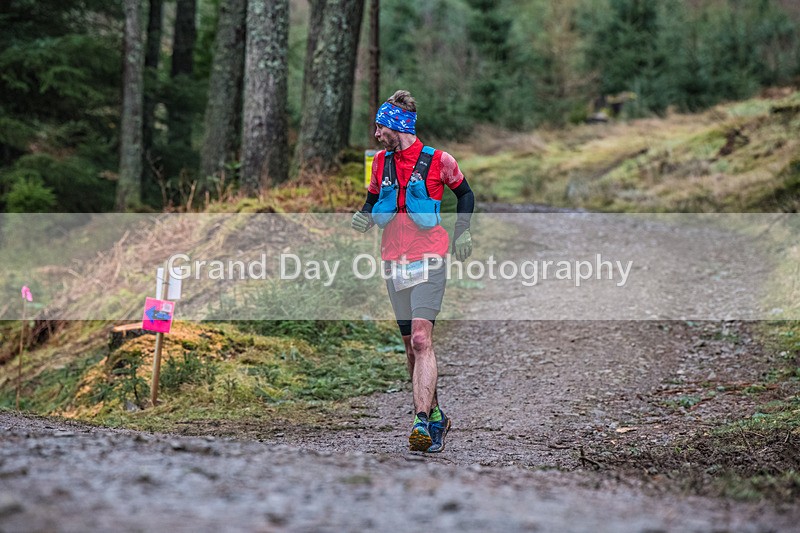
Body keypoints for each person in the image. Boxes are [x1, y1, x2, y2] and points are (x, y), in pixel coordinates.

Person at [351, 90, 474, 453]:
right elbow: (374, 198)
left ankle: (420, 422)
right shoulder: (379, 163)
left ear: (395, 125)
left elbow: (465, 193)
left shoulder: (439, 160)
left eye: (379, 127)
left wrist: (462, 230)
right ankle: (435, 415)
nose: (376, 135)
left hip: (430, 258)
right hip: (393, 260)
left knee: (422, 340)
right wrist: (363, 214)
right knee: (409, 347)